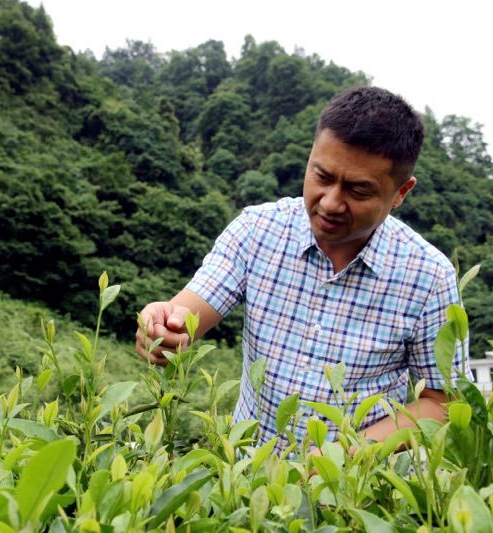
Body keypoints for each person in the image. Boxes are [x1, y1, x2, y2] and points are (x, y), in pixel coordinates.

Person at [135, 86, 467, 447]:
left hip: (356, 493)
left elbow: (441, 402)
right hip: (249, 481)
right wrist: (164, 326)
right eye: (321, 177)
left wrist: (342, 460)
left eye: (358, 191)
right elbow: (187, 314)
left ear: (401, 192)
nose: (331, 203)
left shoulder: (428, 277)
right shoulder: (257, 230)